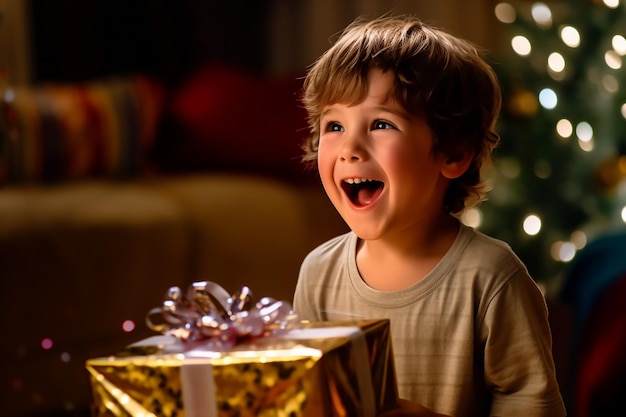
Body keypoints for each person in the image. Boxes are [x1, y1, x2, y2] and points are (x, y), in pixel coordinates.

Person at [292, 14, 566, 417]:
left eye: (381, 123)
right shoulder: (318, 274)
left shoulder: (491, 279)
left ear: (453, 153)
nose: (349, 148)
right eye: (334, 125)